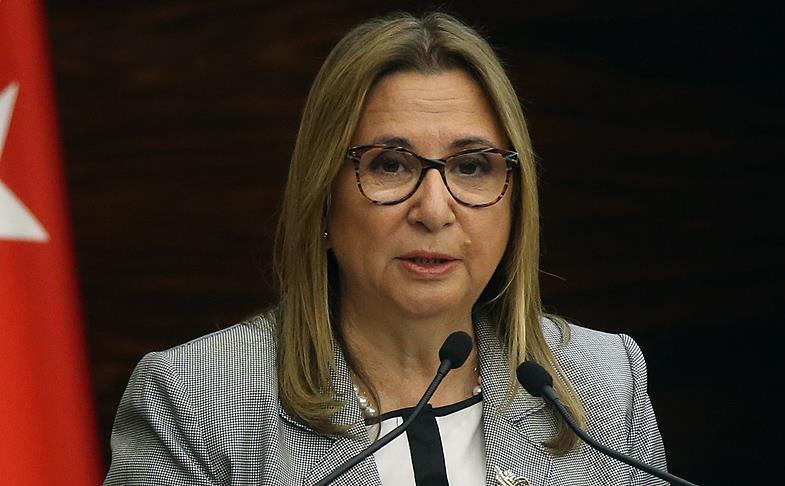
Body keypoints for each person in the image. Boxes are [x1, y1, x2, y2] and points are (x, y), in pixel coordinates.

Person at [105, 12, 667, 486]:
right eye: (390, 165)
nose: (434, 210)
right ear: (323, 196)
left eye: (472, 167)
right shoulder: (195, 400)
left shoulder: (602, 383)